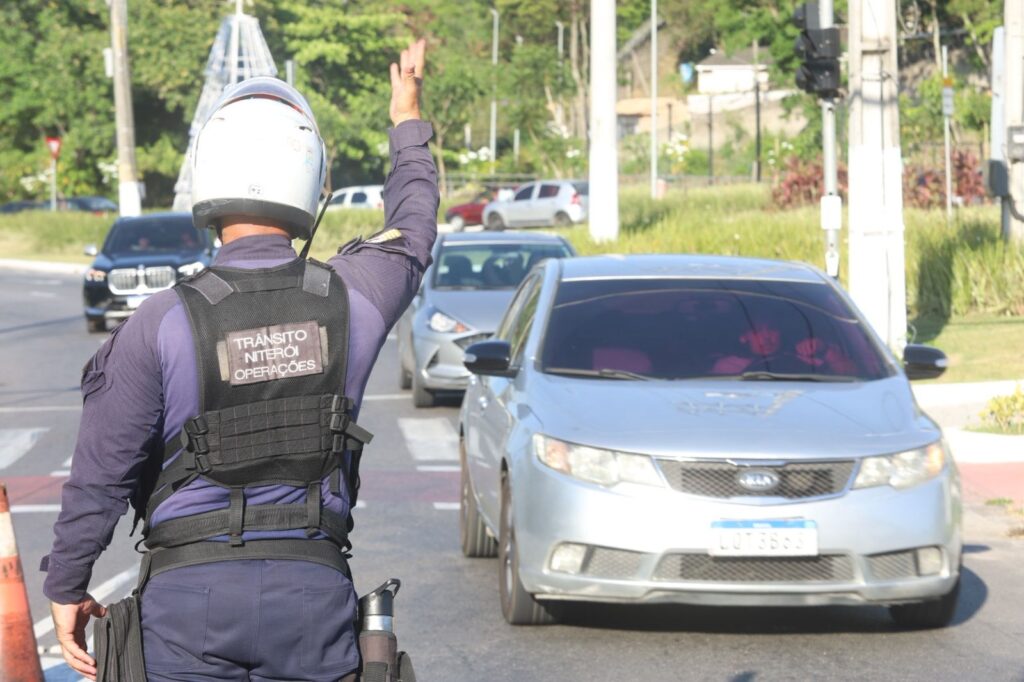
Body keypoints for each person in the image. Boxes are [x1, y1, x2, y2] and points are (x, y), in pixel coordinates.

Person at [42, 39, 437, 681]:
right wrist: (407, 120)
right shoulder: (357, 296)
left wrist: (67, 584)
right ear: (311, 180)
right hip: (312, 600)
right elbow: (414, 227)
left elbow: (102, 474)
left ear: (209, 177)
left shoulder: (158, 322)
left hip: (184, 607)